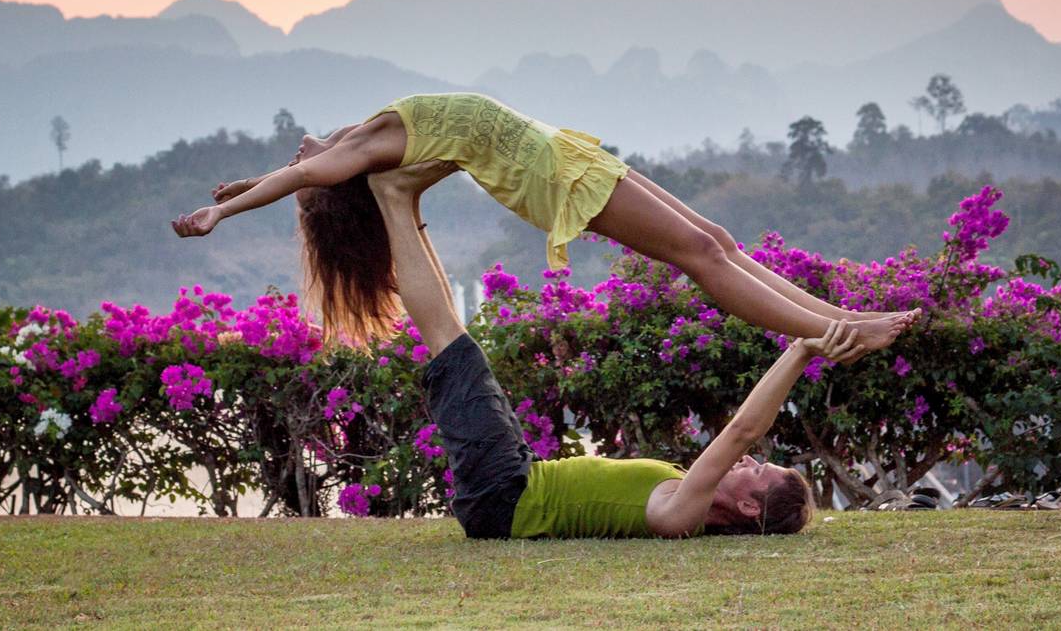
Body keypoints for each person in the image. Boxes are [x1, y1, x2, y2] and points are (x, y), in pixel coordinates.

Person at [363, 159, 872, 539]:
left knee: (452, 347)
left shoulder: (679, 514)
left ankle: (391, 199)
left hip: (504, 497)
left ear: (748, 509)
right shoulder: (679, 492)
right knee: (456, 340)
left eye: (758, 472)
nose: (748, 462)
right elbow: (743, 438)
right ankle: (402, 204)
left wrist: (804, 346)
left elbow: (744, 429)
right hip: (515, 480)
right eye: (757, 462)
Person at [172, 92, 918, 347]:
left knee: (714, 239)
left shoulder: (354, 141)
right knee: (697, 253)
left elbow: (299, 166)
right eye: (306, 174)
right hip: (547, 177)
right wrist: (223, 211)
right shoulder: (355, 152)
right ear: (335, 181)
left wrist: (244, 182)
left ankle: (842, 315)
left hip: (561, 152)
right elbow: (305, 171)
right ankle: (833, 333)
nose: (298, 153)